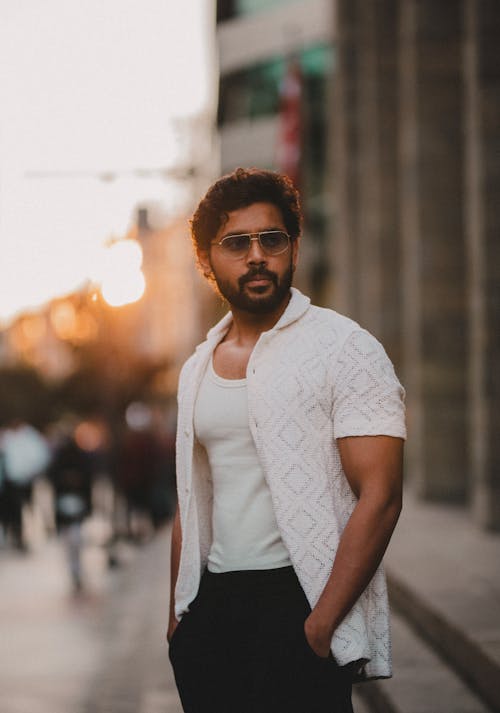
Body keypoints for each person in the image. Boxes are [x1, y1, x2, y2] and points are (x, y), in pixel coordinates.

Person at [167, 168, 406, 713]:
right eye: (236, 243)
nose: (256, 255)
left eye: (271, 239)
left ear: (293, 248)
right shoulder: (198, 367)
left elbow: (382, 494)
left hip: (298, 604)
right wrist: (180, 615)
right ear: (208, 263)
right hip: (213, 609)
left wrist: (319, 627)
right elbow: (191, 495)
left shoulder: (345, 347)